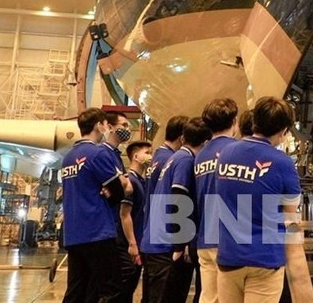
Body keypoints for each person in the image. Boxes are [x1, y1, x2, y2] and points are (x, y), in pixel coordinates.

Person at [214, 97, 313, 303]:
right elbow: (290, 210)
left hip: (229, 255)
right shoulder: (282, 162)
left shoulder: (226, 154)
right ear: (283, 131)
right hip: (264, 258)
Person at [60, 107, 132, 303]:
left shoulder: (68, 158)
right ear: (99, 126)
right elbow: (118, 191)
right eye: (105, 125)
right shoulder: (97, 153)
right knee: (111, 288)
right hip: (97, 230)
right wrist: (114, 190)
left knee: (77, 290)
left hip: (74, 233)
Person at [141, 117, 212, 303]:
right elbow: (178, 197)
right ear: (206, 143)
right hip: (166, 244)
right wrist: (181, 244)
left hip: (156, 240)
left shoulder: (173, 158)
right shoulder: (185, 161)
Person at [194, 98, 238, 303]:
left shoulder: (201, 154)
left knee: (209, 297)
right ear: (234, 121)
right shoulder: (237, 151)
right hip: (229, 237)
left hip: (205, 235)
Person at [117, 141, 153, 303]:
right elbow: (124, 214)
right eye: (147, 153)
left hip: (138, 242)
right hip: (127, 244)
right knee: (124, 287)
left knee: (131, 286)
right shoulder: (130, 181)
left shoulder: (142, 181)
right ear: (136, 156)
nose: (150, 156)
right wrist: (132, 244)